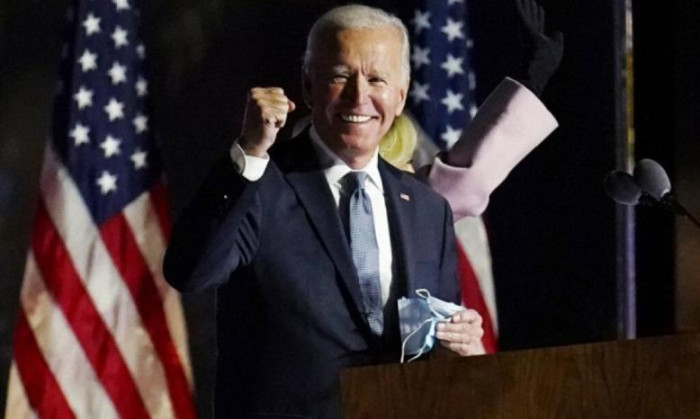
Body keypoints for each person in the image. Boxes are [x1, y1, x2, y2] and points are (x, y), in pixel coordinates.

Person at [164, 5, 484, 418]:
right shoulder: (259, 184)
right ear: (308, 86)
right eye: (340, 76)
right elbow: (190, 272)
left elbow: (434, 344)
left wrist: (459, 342)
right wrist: (250, 151)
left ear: (400, 95)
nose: (359, 96)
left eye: (376, 79)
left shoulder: (427, 209)